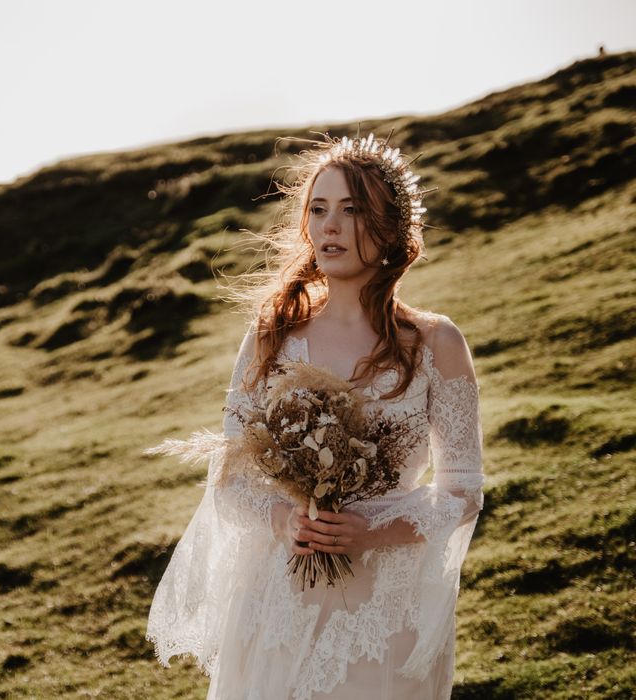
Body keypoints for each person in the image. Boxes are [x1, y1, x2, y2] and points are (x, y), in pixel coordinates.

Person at [145, 132, 487, 699]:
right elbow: (232, 476)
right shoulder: (272, 336)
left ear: (391, 229)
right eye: (319, 209)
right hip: (279, 592)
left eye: (352, 210)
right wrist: (285, 520)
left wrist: (372, 530)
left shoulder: (435, 342)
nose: (330, 226)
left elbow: (463, 490)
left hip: (383, 606)